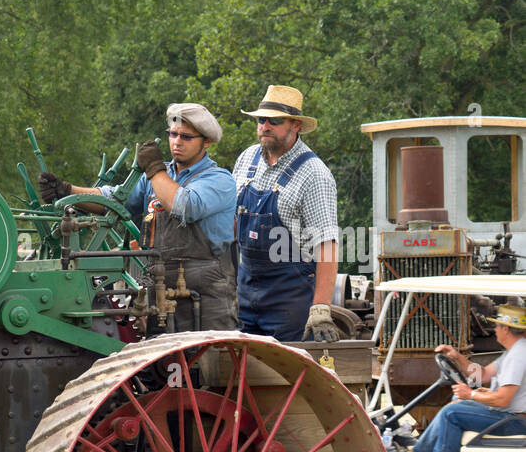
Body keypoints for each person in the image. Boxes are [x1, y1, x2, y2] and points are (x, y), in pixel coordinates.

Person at [40, 102, 237, 331]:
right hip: (159, 286)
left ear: (207, 142)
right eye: (172, 134)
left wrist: (154, 167)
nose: (177, 142)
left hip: (206, 296)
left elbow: (183, 205)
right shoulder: (156, 177)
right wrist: (67, 191)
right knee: (163, 364)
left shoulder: (219, 180)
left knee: (211, 362)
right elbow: (114, 200)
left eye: (186, 137)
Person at [232, 85, 339, 341]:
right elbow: (232, 225)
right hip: (244, 291)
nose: (265, 126)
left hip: (290, 301)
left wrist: (321, 308)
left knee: (286, 377)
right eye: (261, 119)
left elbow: (327, 245)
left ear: (296, 126)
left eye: (275, 120)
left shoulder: (314, 174)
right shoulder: (246, 159)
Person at [404, 304, 526, 452]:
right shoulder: (514, 352)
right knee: (457, 402)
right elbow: (483, 375)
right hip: (508, 415)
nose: (495, 330)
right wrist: (456, 356)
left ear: (505, 329)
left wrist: (471, 394)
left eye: (497, 326)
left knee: (451, 413)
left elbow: (502, 400)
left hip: (514, 421)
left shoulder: (518, 356)